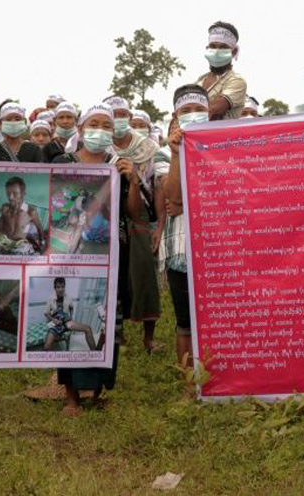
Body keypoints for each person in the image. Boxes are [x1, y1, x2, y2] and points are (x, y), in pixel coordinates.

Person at [49, 103, 143, 415]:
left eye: (106, 125)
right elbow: (56, 211)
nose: (100, 130)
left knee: (106, 321)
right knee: (75, 314)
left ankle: (98, 389)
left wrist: (135, 181)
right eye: (94, 124)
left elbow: (133, 213)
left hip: (111, 257)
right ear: (79, 130)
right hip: (73, 258)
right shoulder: (62, 163)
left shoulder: (120, 166)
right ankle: (72, 396)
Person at [104, 96, 162, 352]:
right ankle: (117, 335)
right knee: (113, 278)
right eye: (113, 114)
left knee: (145, 275)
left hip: (139, 218)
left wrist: (159, 226)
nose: (118, 119)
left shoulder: (147, 148)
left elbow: (158, 188)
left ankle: (149, 338)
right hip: (107, 219)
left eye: (123, 114)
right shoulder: (96, 147)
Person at [163, 85, 210, 366]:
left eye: (199, 110)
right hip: (181, 248)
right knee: (185, 321)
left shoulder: (224, 146)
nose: (193, 115)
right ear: (175, 115)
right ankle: (188, 385)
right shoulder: (165, 150)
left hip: (216, 245)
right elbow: (174, 198)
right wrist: (176, 154)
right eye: (186, 111)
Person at [197, 21, 247, 120]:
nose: (216, 52)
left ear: (234, 52)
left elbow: (213, 111)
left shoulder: (236, 81)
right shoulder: (199, 81)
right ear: (207, 49)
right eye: (213, 46)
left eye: (223, 47)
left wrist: (190, 111)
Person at [0, 176, 47, 255]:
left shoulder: (30, 212)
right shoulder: (5, 208)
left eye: (15, 193)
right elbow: (1, 223)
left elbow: (40, 229)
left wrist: (42, 243)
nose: (10, 197)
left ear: (23, 194)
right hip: (3, 240)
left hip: (19, 244)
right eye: (8, 193)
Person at [43, 277, 98, 352]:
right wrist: (53, 320)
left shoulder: (68, 297)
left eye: (62, 287)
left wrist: (71, 317)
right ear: (55, 288)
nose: (61, 289)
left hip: (66, 321)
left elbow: (71, 307)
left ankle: (95, 353)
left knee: (88, 328)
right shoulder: (50, 298)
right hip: (55, 324)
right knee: (46, 347)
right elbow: (46, 313)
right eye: (58, 287)